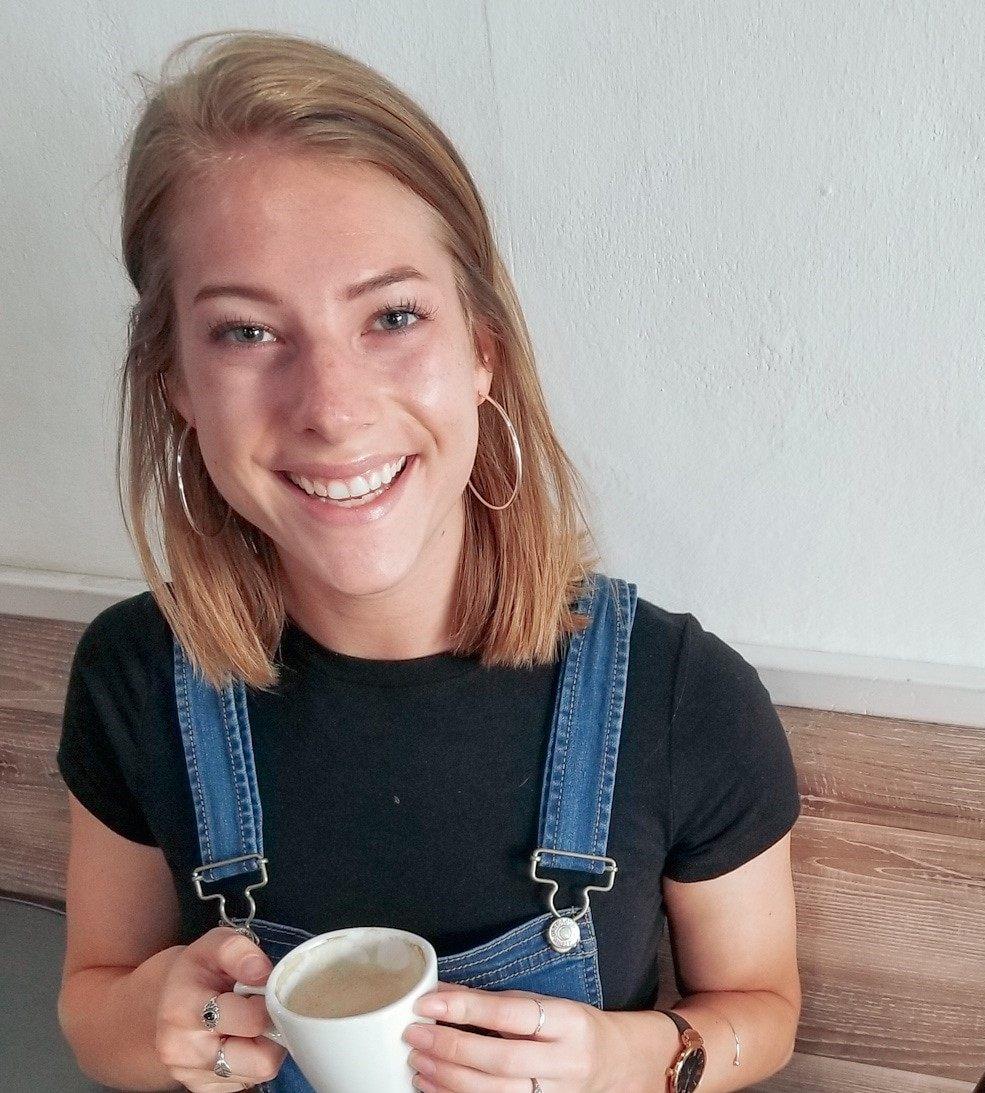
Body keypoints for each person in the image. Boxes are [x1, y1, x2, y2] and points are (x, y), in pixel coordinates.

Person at [54, 29, 802, 1093]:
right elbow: (94, 1005)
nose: (332, 408)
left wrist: (624, 1058)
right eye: (246, 333)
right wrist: (160, 1023)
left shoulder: (681, 695)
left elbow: (762, 1010)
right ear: (175, 380)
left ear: (482, 348)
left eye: (392, 316)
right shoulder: (135, 677)